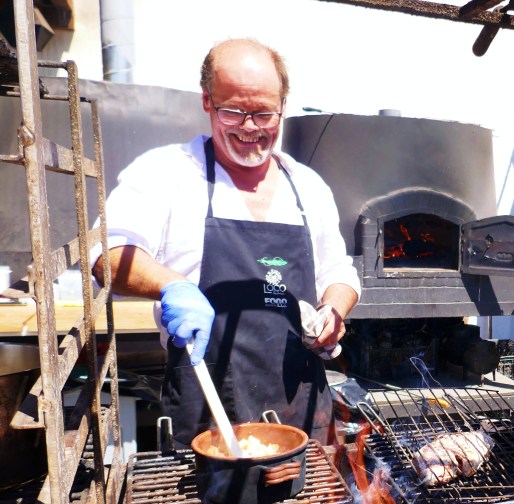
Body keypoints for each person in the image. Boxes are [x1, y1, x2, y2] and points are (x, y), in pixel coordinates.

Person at [91, 38, 359, 449]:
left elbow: (338, 272)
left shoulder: (307, 186)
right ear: (207, 102)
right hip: (207, 409)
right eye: (232, 111)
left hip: (302, 408)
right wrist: (171, 286)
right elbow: (107, 254)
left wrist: (333, 311)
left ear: (283, 106)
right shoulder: (168, 171)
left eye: (264, 113)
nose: (249, 127)